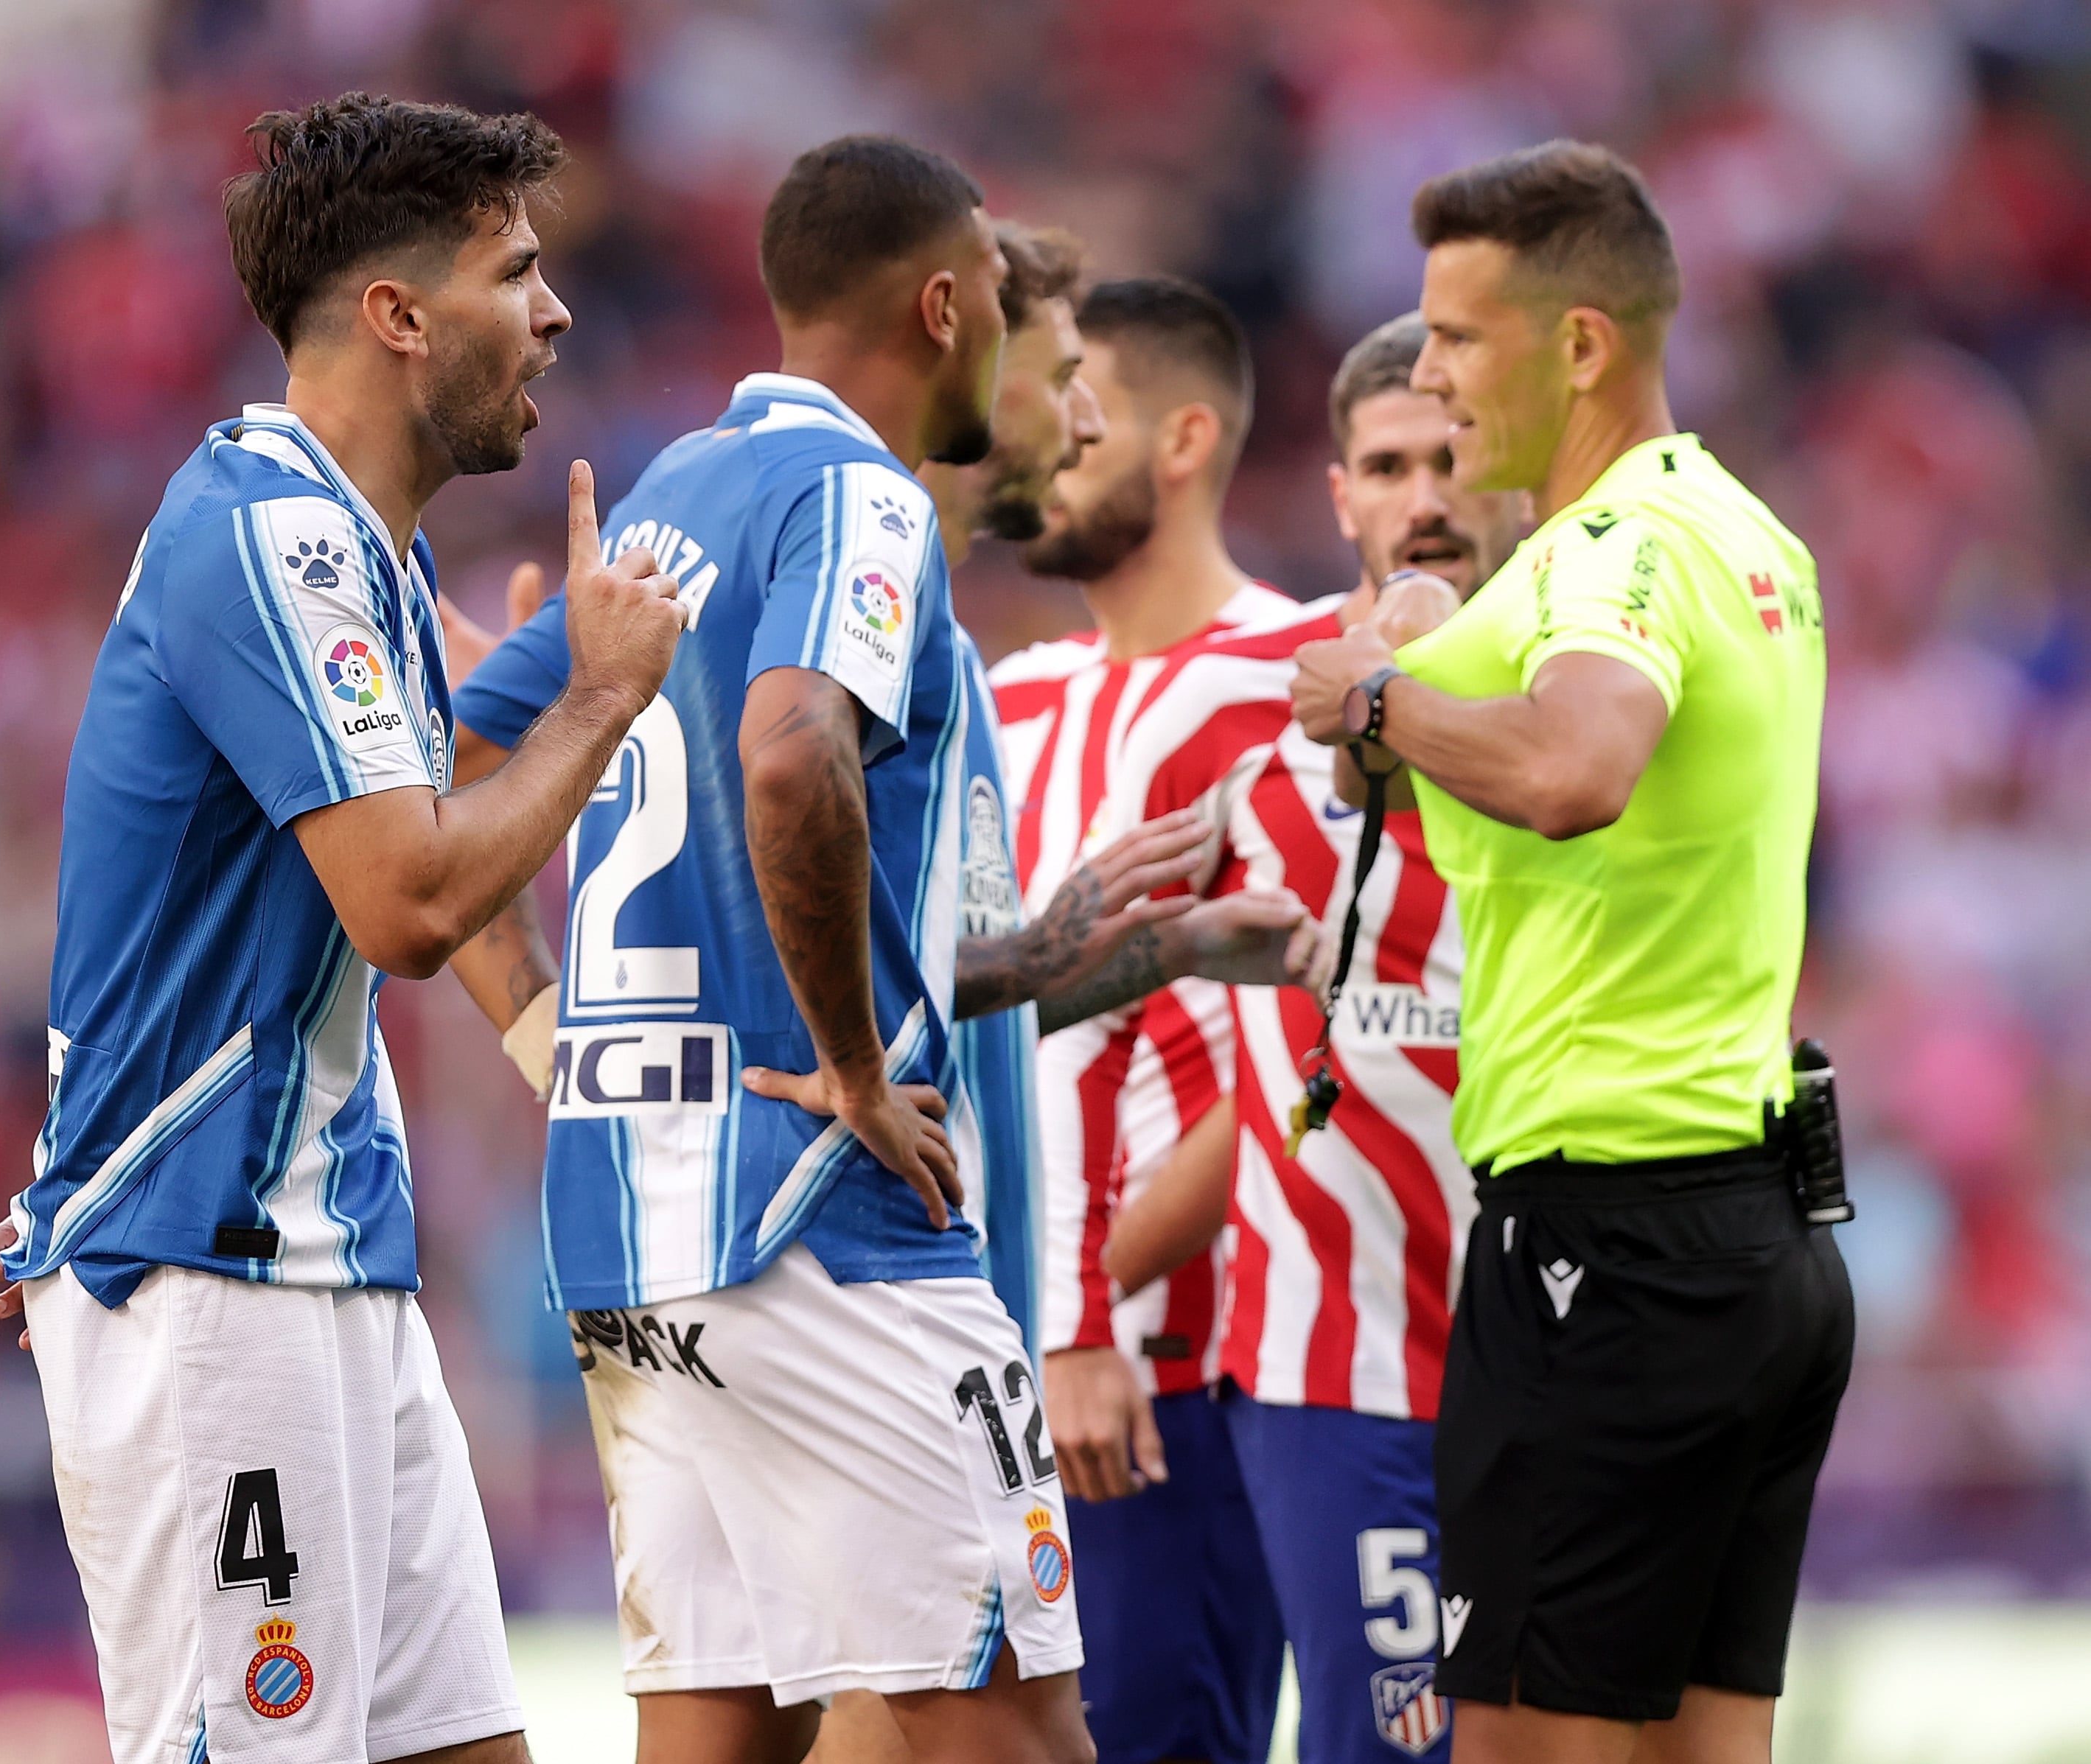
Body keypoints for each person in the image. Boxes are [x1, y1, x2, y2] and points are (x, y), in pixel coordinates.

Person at [441, 161, 1318, 1764]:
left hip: (636, 1237)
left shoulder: (668, 493)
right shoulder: (862, 499)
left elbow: (454, 758)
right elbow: (791, 762)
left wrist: (559, 1047)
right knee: (1026, 1731)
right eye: (1007, 312)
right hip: (820, 1223)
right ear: (945, 303)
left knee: (720, 1732)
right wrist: (852, 1068)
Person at [0, 95, 687, 1764]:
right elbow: (413, 897)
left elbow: (453, 829)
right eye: (517, 270)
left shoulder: (354, 558)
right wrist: (600, 693)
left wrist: (561, 1062)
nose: (557, 311)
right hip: (219, 1292)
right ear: (399, 315)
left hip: (329, 1262)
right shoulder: (271, 535)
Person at [1287, 141, 1849, 1764]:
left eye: (1456, 337)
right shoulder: (1746, 540)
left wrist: (1374, 691)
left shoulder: (1604, 555)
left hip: (1601, 1250)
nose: (1431, 373)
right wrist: (1399, 663)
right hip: (1758, 1241)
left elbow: (1567, 768)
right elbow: (1433, 728)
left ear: (1581, 343)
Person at [1193, 313, 1521, 1764]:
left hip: (1570, 1348)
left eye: (1449, 457)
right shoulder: (1256, 752)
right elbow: (1151, 1042)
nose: (1422, 497)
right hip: (1339, 1368)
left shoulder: (1584, 724)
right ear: (1339, 497)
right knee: (1388, 1745)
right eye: (1385, 464)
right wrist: (1084, 1318)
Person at [991, 276, 1305, 1764]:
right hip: (1000, 1363)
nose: (1045, 443)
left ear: (1183, 441)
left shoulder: (1291, 680)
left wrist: (1077, 1310)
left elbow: (1306, 1063)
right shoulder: (1013, 696)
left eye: (1084, 414)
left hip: (1167, 1373)